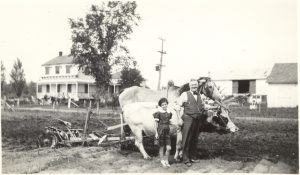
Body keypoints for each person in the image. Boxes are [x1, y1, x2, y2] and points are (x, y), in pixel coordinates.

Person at [176, 79, 204, 167]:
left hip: (197, 119)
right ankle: (185, 159)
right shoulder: (185, 94)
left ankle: (193, 157)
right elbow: (177, 106)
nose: (194, 86)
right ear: (189, 85)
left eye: (195, 85)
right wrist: (179, 119)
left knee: (194, 139)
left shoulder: (200, 95)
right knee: (186, 139)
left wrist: (213, 106)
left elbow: (202, 105)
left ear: (198, 85)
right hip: (188, 118)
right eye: (192, 85)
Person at [153, 97, 172, 168]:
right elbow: (155, 124)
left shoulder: (169, 113)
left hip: (167, 132)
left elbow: (169, 121)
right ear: (160, 106)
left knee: (169, 148)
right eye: (163, 105)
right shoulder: (158, 113)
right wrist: (156, 133)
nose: (164, 106)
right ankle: (162, 160)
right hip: (160, 132)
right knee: (161, 147)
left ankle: (166, 160)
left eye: (165, 104)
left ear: (167, 104)